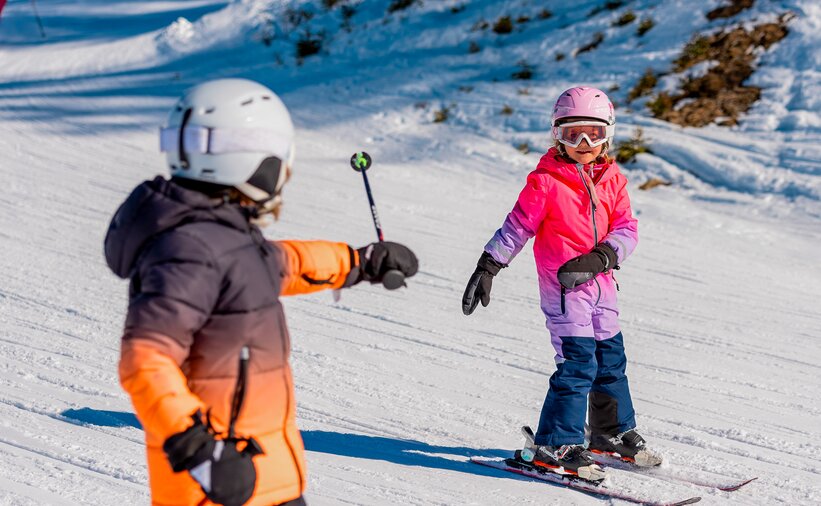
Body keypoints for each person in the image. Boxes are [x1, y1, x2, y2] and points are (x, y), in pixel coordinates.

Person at [104, 78, 418, 506]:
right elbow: (146, 358)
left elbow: (282, 264)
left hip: (265, 478)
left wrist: (358, 261)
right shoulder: (190, 249)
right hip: (216, 487)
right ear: (253, 161)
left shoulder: (218, 234)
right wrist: (200, 453)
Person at [462, 86, 660, 482]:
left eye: (593, 134)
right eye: (573, 135)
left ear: (608, 135)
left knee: (611, 363)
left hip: (603, 288)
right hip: (566, 292)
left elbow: (627, 227)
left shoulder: (612, 178)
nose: (584, 144)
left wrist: (604, 256)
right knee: (577, 365)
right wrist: (490, 264)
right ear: (557, 136)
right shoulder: (546, 181)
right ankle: (556, 443)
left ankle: (610, 432)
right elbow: (518, 225)